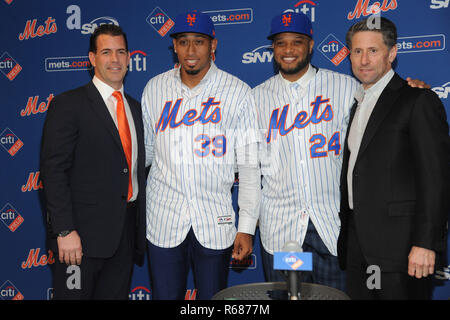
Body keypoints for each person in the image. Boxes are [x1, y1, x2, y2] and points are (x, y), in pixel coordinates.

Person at [254, 12, 430, 295]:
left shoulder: (347, 87)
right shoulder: (255, 98)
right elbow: (251, 170)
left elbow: (388, 102)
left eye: (297, 42)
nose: (288, 50)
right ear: (272, 49)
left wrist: (413, 91)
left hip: (332, 226)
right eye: (281, 43)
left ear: (311, 45)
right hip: (281, 227)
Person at [141, 11, 261, 300]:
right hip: (164, 220)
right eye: (183, 42)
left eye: (199, 42)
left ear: (213, 46)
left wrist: (246, 227)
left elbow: (248, 167)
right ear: (175, 46)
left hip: (214, 220)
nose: (191, 51)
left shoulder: (238, 92)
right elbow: (143, 155)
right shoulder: (155, 89)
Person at [337, 17, 449, 300]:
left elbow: (435, 179)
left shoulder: (417, 100)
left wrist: (425, 244)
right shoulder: (358, 103)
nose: (363, 60)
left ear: (392, 53)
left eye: (373, 51)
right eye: (357, 51)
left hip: (402, 253)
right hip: (358, 249)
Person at [40, 24, 147, 300]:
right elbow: (53, 171)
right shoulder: (69, 104)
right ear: (92, 58)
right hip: (79, 241)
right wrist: (64, 230)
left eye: (121, 52)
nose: (115, 59)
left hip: (124, 236)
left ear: (129, 57)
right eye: (106, 52)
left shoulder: (136, 108)